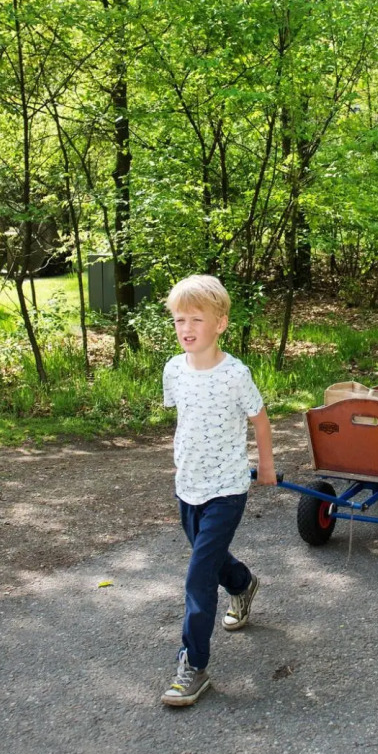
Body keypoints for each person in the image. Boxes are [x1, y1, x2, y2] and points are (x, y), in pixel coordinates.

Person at [160, 275, 276, 708]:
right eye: (179, 320)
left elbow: (260, 419)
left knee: (199, 576)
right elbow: (185, 421)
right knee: (207, 559)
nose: (186, 328)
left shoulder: (234, 374)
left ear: (220, 323)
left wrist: (266, 466)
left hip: (227, 489)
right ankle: (243, 584)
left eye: (196, 319)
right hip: (187, 487)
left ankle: (193, 665)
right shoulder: (174, 369)